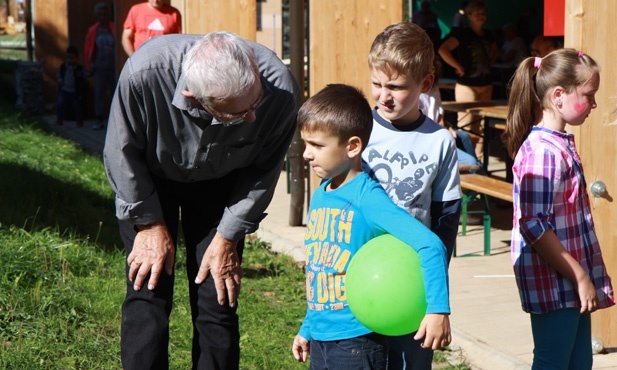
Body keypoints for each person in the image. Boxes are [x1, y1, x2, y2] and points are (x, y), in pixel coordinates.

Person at [103, 31, 300, 370]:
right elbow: (121, 153)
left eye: (255, 102)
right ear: (193, 97)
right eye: (237, 115)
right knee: (148, 290)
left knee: (218, 298)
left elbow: (264, 172)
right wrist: (149, 225)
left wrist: (227, 237)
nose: (252, 117)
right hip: (150, 182)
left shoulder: (279, 89)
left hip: (223, 186)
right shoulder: (144, 75)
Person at [291, 84, 451, 369]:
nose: (306, 154)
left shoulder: (368, 198)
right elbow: (321, 270)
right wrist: (308, 327)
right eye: (306, 143)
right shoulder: (321, 193)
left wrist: (437, 309)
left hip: (357, 342)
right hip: (322, 338)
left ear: (352, 146)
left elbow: (430, 244)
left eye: (317, 145)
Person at [502, 49, 615, 369]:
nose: (594, 104)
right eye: (589, 95)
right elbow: (534, 225)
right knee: (553, 362)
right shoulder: (542, 152)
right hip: (555, 282)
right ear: (558, 95)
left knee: (579, 363)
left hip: (569, 281)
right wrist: (579, 276)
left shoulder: (559, 143)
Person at [364, 22, 461, 369]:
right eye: (377, 83)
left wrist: (435, 298)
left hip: (412, 286)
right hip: (357, 279)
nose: (383, 95)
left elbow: (446, 222)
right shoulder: (358, 129)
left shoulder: (439, 142)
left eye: (396, 87)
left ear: (425, 84)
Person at [438, 0, 498, 161]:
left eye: (483, 13)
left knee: (482, 127)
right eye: (477, 13)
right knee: (466, 126)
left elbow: (494, 50)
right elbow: (443, 50)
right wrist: (458, 66)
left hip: (486, 85)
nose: (481, 16)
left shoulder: (489, 35)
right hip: (466, 86)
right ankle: (465, 163)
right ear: (469, 16)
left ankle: (478, 163)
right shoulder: (462, 34)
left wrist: (490, 63)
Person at [84, 2, 116, 130]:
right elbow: (87, 48)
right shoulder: (93, 30)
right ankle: (99, 119)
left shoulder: (114, 27)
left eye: (105, 14)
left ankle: (114, 120)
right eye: (100, 15)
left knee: (115, 92)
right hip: (99, 66)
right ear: (97, 16)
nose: (103, 17)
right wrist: (89, 64)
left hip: (113, 66)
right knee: (99, 93)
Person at [56, 45, 87, 127]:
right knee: (60, 104)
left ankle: (79, 120)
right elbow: (59, 75)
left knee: (77, 106)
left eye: (72, 58)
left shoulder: (79, 69)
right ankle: (59, 119)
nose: (70, 60)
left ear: (76, 58)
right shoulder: (63, 67)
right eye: (68, 58)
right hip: (64, 90)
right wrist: (60, 80)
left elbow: (85, 74)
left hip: (74, 91)